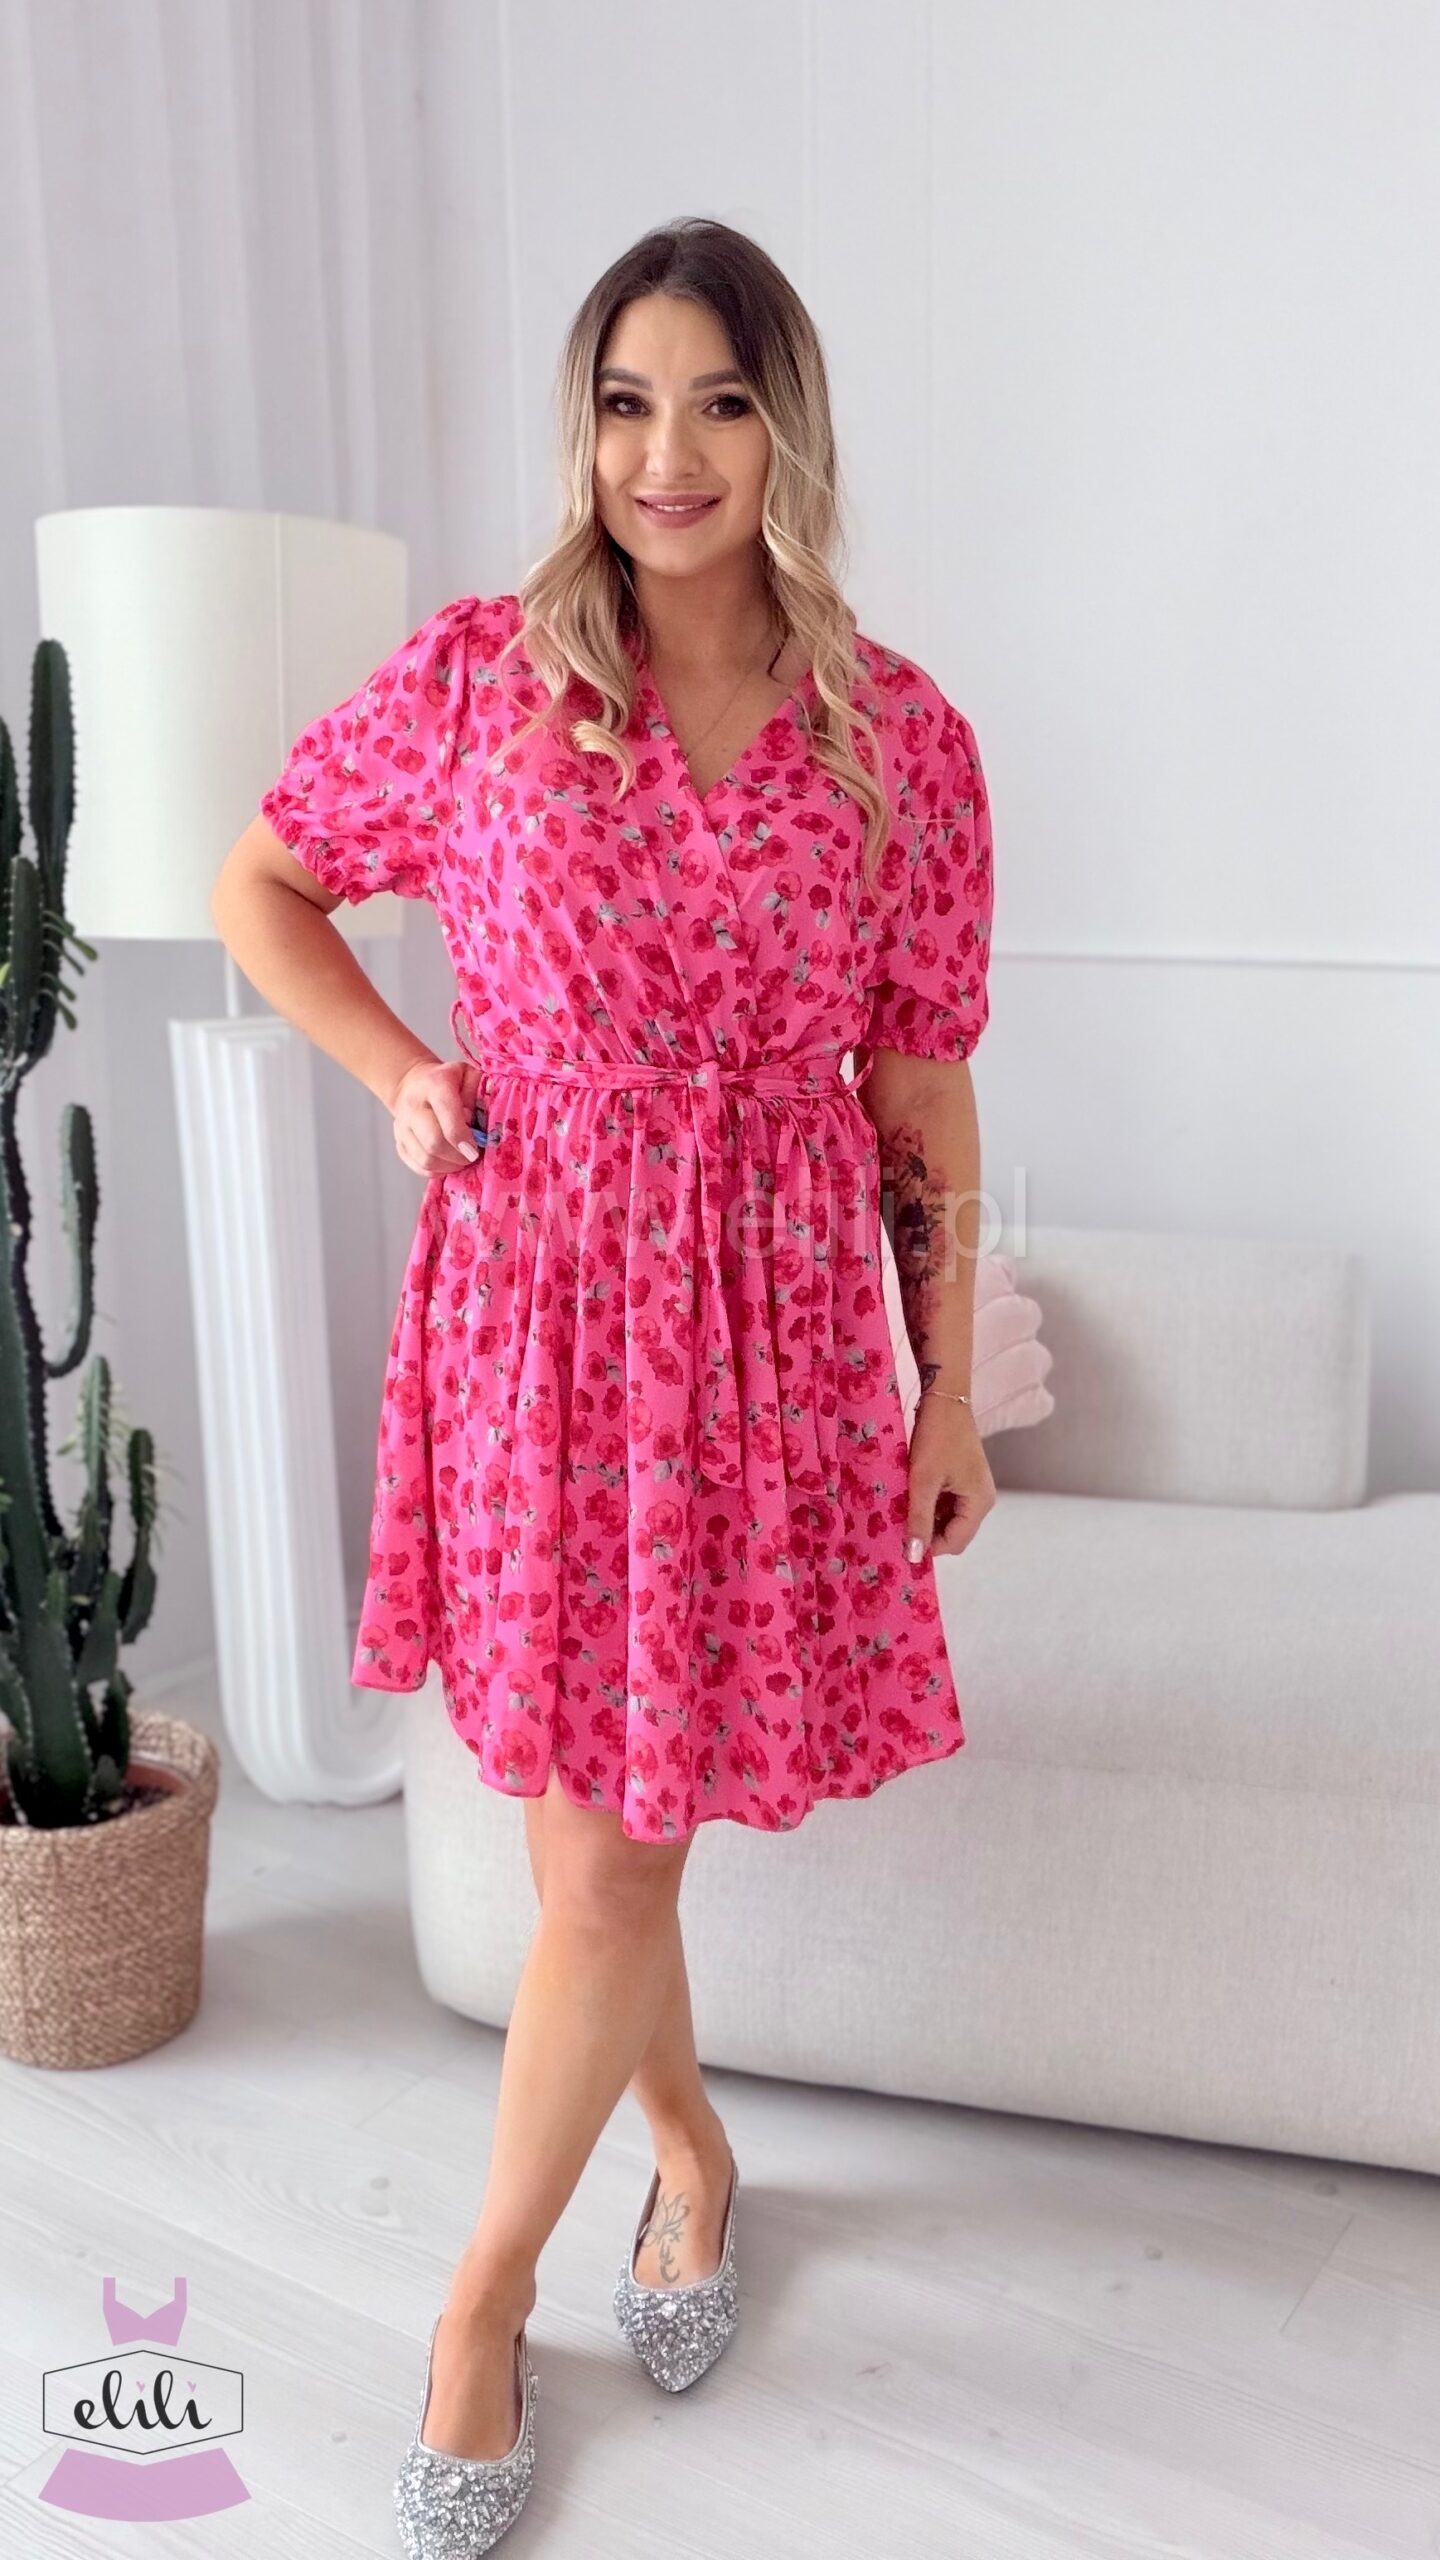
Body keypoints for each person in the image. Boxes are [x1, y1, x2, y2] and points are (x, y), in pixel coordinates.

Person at [212, 215, 996, 2555]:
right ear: (583, 427)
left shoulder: (900, 737)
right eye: (628, 402)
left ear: (789, 431)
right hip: (536, 1317)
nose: (670, 455)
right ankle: (688, 2148)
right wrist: (398, 1067)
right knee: (595, 1846)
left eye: (721, 403)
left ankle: (478, 2299)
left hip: (764, 1342)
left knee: (618, 1847)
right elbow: (265, 883)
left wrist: (947, 1383)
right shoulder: (482, 678)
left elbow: (920, 1092)